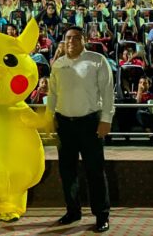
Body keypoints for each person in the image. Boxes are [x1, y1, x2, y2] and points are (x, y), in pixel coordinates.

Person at [46, 26, 114, 233]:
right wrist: (50, 117)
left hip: (90, 123)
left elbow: (108, 92)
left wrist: (106, 120)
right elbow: (53, 93)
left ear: (84, 40)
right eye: (68, 38)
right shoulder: (58, 64)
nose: (71, 41)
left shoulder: (97, 60)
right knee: (67, 171)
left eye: (76, 38)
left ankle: (102, 215)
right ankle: (73, 210)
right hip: (65, 124)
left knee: (95, 170)